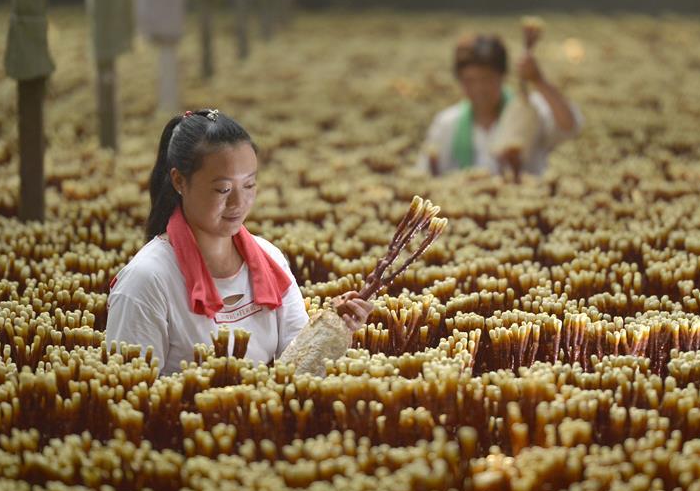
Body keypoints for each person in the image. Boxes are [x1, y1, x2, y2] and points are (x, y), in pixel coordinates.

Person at [105, 108, 373, 376]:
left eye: (249, 185)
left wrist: (333, 328)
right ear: (179, 181)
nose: (238, 203)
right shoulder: (147, 280)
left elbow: (295, 374)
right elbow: (127, 393)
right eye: (223, 189)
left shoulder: (270, 260)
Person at [420, 33, 584, 177]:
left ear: (502, 76)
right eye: (470, 81)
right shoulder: (447, 122)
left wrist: (538, 81)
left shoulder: (527, 111)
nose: (479, 89)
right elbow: (425, 172)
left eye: (486, 79)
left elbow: (569, 126)